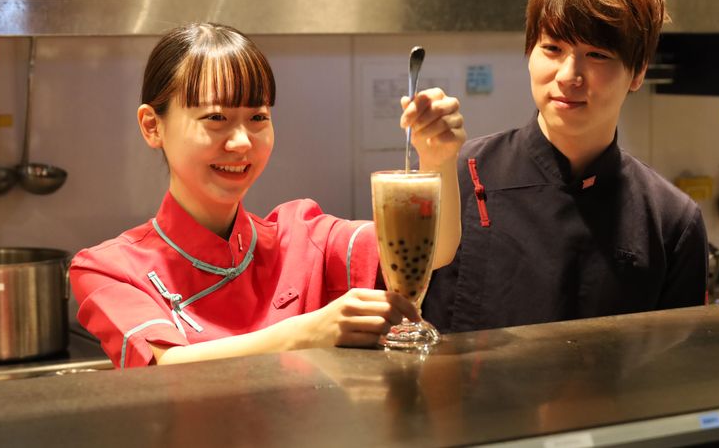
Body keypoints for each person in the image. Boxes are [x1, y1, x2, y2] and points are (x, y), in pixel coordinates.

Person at [70, 23, 465, 368]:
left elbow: (435, 252)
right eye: (216, 118)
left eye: (258, 117)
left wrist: (439, 157)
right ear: (152, 126)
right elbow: (166, 366)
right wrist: (308, 332)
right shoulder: (109, 268)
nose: (242, 142)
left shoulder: (303, 236)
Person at [423, 0, 708, 333]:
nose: (569, 75)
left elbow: (678, 367)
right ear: (529, 52)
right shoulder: (460, 173)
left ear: (638, 72)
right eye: (553, 48)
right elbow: (397, 321)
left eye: (597, 54)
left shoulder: (671, 221)